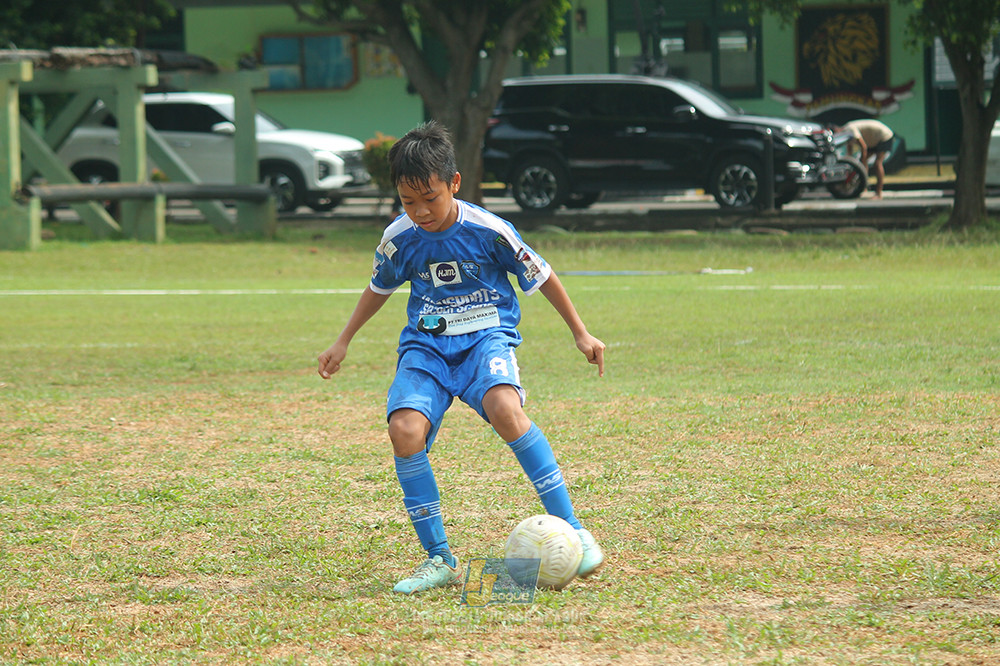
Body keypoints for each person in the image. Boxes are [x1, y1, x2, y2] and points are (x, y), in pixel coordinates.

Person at [317, 121, 607, 595]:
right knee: (404, 430)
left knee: (505, 409)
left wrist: (580, 331)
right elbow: (380, 287)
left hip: (485, 339)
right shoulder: (400, 236)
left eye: (429, 198)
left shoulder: (489, 230)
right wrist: (343, 339)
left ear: (453, 183)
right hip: (426, 347)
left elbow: (543, 275)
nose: (420, 211)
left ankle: (574, 528)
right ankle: (439, 558)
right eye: (408, 201)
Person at [843, 118, 895, 199]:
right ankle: (864, 188)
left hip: (884, 136)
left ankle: (878, 193)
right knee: (860, 164)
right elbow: (850, 154)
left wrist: (863, 161)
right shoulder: (847, 134)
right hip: (873, 140)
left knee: (877, 164)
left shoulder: (849, 129)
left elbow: (863, 146)